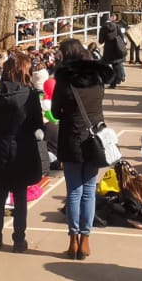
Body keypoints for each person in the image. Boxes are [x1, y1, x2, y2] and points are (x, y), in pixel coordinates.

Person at [51, 40, 110, 259]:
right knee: (89, 191)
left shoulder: (65, 81)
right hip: (95, 139)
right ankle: (86, 238)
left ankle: (73, 239)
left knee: (74, 192)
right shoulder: (98, 77)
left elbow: (56, 112)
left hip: (72, 137)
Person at [0, 53, 44, 254]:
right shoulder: (30, 95)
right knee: (19, 196)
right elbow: (37, 124)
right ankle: (19, 240)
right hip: (23, 148)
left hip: (0, 145)